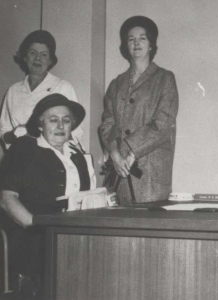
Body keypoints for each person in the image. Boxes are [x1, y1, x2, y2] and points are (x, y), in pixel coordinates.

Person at [0, 93, 93, 297]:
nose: (60, 125)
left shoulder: (78, 155)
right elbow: (7, 199)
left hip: (73, 234)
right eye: (53, 120)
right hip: (32, 234)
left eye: (66, 120)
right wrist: (38, 227)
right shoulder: (25, 148)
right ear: (40, 124)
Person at [99, 16, 179, 204]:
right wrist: (114, 154)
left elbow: (163, 123)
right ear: (125, 46)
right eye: (131, 39)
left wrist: (131, 153)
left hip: (150, 172)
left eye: (142, 38)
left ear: (151, 45)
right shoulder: (116, 83)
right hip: (119, 171)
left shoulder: (165, 79)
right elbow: (107, 124)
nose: (136, 43)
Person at [0, 30, 83, 148]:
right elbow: (4, 131)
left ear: (50, 61)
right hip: (21, 156)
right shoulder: (13, 91)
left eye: (44, 54)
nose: (37, 58)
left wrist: (38, 133)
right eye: (33, 53)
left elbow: (76, 132)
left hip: (53, 157)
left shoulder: (62, 87)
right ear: (24, 57)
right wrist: (15, 134)